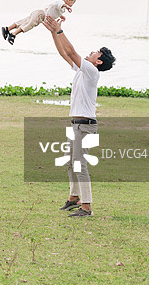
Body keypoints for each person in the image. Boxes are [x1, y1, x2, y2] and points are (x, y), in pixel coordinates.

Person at [42, 15, 115, 217]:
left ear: (98, 61)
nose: (90, 52)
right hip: (77, 124)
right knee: (70, 162)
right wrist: (53, 32)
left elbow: (72, 52)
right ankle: (74, 198)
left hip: (85, 125)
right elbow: (65, 53)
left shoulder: (92, 71)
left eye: (95, 53)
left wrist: (59, 30)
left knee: (80, 165)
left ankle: (87, 207)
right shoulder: (83, 70)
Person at [2, 0, 77, 45]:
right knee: (29, 25)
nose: (72, 5)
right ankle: (13, 34)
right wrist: (67, 6)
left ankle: (7, 29)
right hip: (41, 15)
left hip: (39, 13)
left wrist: (61, 16)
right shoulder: (61, 3)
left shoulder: (61, 7)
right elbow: (59, 4)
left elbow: (56, 10)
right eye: (73, 3)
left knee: (24, 21)